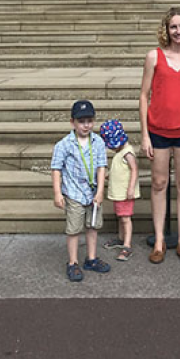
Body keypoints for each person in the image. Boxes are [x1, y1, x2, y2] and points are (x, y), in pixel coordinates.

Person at [139, 6, 180, 264]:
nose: (178, 31)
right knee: (159, 184)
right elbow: (144, 95)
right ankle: (160, 239)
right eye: (173, 26)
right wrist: (144, 134)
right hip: (158, 130)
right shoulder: (154, 56)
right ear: (166, 29)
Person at [51, 99, 111, 282]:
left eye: (89, 121)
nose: (86, 125)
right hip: (74, 193)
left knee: (93, 226)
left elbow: (102, 167)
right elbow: (56, 169)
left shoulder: (98, 142)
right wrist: (57, 193)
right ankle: (72, 262)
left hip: (93, 194)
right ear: (73, 123)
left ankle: (91, 258)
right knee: (74, 229)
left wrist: (100, 191)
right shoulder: (64, 144)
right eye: (81, 121)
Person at [99, 119, 140, 262]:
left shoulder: (127, 152)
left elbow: (134, 169)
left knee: (125, 218)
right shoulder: (120, 152)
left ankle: (127, 245)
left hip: (124, 193)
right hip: (119, 193)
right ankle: (121, 238)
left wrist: (130, 188)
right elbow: (119, 170)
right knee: (121, 217)